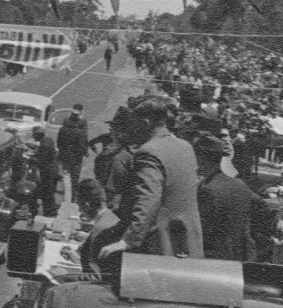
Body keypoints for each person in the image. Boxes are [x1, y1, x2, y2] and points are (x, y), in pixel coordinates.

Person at [96, 97, 203, 266]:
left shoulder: (149, 151)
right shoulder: (185, 146)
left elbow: (149, 198)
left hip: (159, 247)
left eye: (133, 124)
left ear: (145, 123)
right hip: (187, 242)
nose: (131, 129)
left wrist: (128, 240)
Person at [194, 134, 271, 262]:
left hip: (216, 258)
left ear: (201, 159)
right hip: (241, 255)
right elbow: (263, 206)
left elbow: (203, 229)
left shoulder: (207, 189)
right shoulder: (240, 185)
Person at [56, 104, 89, 192]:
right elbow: (84, 139)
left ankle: (66, 192)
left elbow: (59, 143)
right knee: (74, 178)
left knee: (66, 176)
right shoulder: (83, 123)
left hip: (65, 155)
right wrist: (85, 151)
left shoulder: (65, 124)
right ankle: (72, 195)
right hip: (76, 156)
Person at [29, 125, 59, 217]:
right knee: (49, 194)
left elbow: (41, 161)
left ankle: (49, 214)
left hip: (48, 172)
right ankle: (49, 212)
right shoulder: (48, 140)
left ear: (38, 135)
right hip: (53, 170)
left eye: (34, 135)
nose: (32, 136)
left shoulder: (44, 145)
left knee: (47, 194)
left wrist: (29, 158)